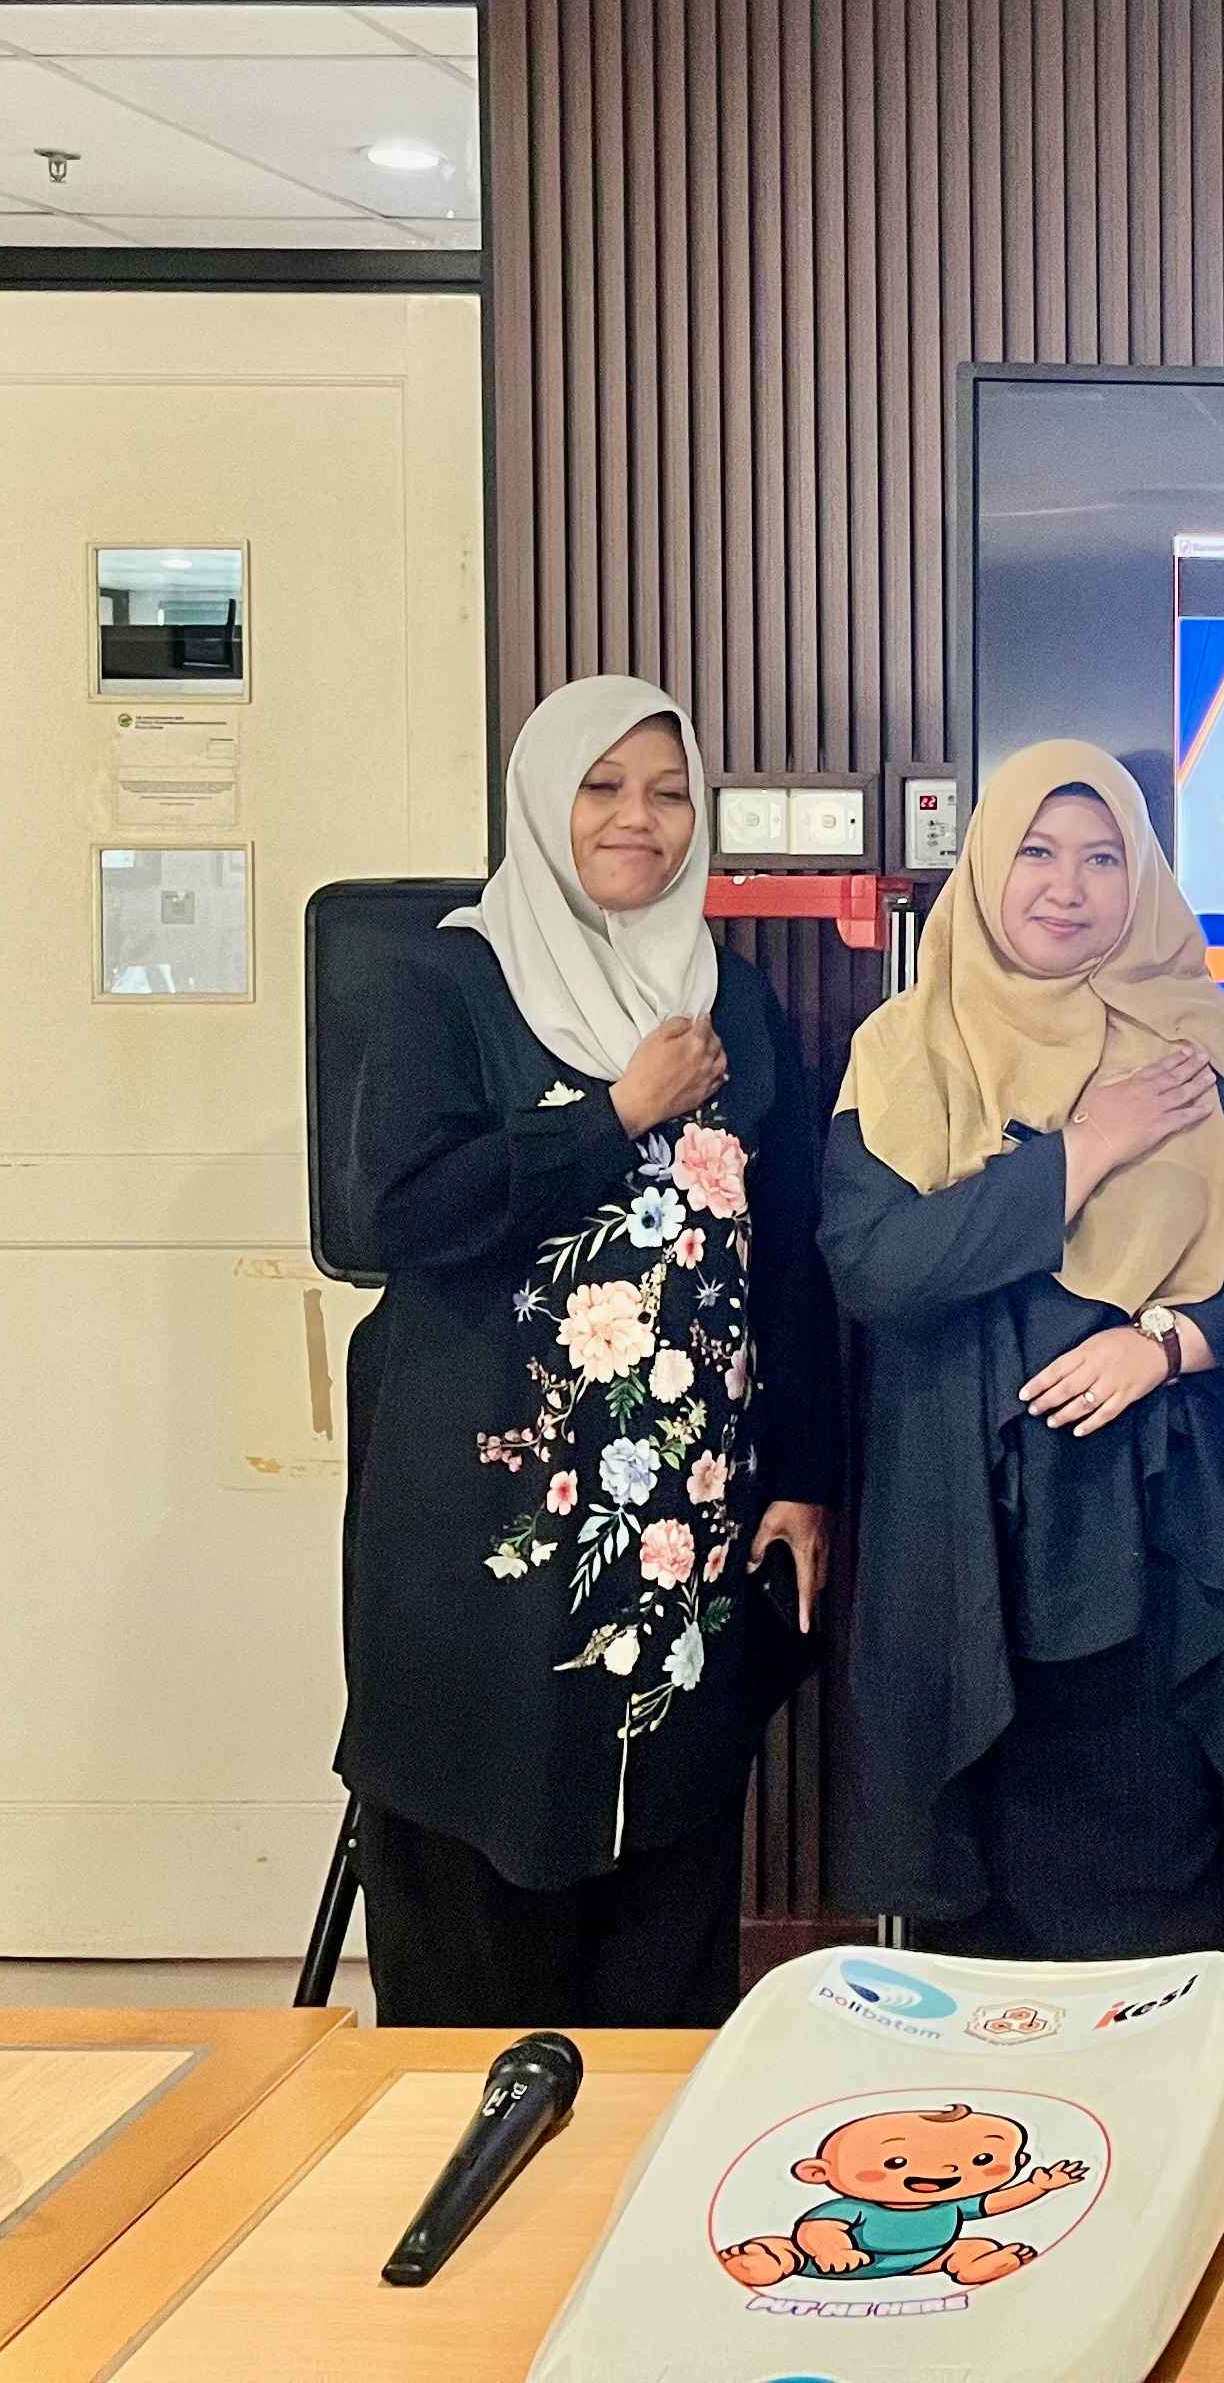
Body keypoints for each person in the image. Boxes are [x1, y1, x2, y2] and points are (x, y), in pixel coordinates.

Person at [337, 677, 838, 2027]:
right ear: (542, 803)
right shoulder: (445, 983)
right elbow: (400, 1212)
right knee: (481, 1844)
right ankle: (473, 2133)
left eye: (669, 793)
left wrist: (803, 1474)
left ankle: (647, 2140)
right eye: (602, 787)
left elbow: (788, 1254)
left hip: (680, 1530)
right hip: (486, 1525)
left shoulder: (734, 1002)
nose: (638, 819)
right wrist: (614, 1112)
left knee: (666, 1867)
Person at [825, 739, 1224, 1959]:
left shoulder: (1194, 1047)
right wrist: (1083, 1152)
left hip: (1155, 1523)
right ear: (986, 864)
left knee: (1148, 1891)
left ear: (1145, 881)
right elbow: (880, 1271)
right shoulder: (903, 1051)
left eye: (1103, 858)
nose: (1066, 887)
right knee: (976, 1916)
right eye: (1036, 851)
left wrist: (1168, 1343)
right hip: (963, 1522)